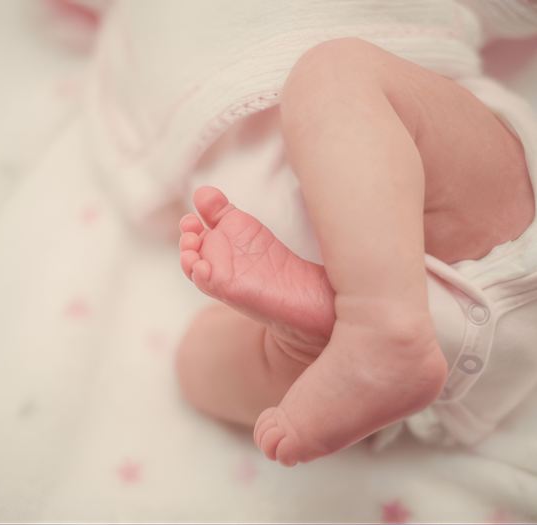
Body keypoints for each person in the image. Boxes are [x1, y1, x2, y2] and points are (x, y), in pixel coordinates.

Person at [175, 37, 535, 467]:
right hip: (333, 323)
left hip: (460, 199)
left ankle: (377, 324)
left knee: (332, 72)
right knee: (191, 361)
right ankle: (318, 346)